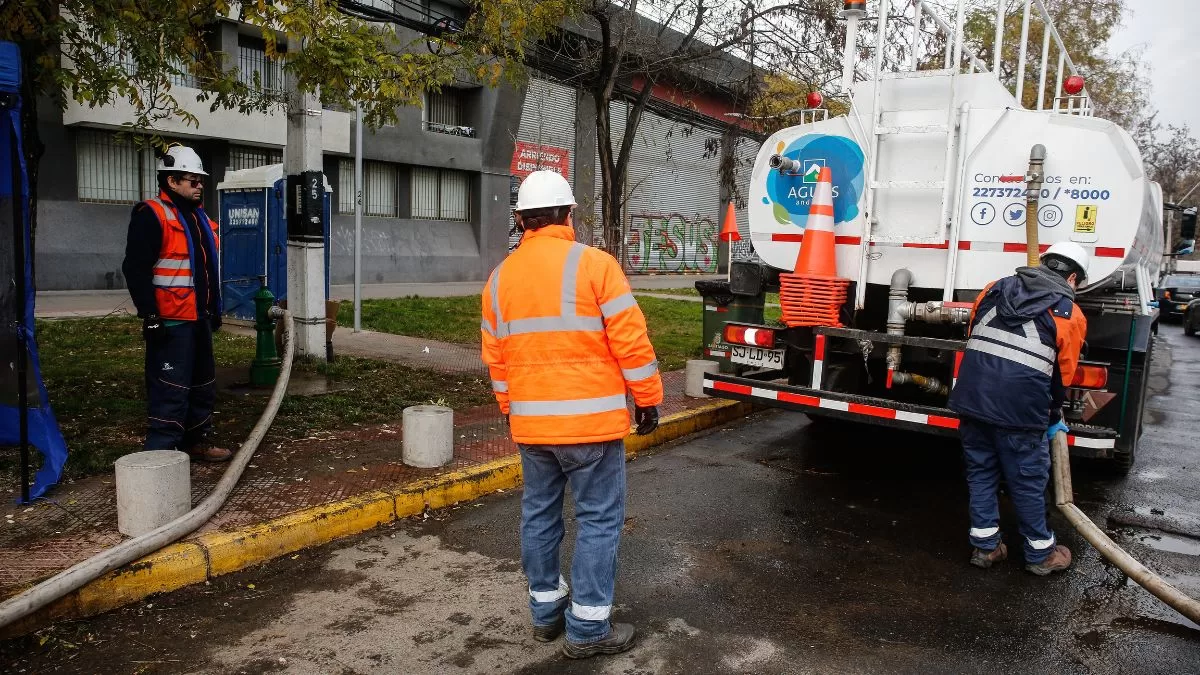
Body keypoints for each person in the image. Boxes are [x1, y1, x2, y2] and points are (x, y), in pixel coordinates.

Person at [481, 170, 663, 659]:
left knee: (538, 516)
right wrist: (647, 398)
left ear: (521, 220)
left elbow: (496, 358)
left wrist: (509, 409)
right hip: (591, 429)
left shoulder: (500, 279)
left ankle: (546, 614)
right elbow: (630, 340)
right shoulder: (595, 265)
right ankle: (587, 628)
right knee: (599, 521)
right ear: (568, 215)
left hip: (533, 428)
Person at [948, 241, 1089, 575]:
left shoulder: (993, 289)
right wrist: (1054, 415)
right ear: (1071, 278)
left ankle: (986, 549)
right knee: (1026, 482)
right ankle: (1041, 555)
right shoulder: (1069, 314)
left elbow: (973, 337)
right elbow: (1062, 375)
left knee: (981, 474)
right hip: (1021, 414)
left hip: (972, 403)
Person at [122, 144, 230, 462]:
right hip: (170, 320)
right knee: (170, 384)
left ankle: (197, 439)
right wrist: (150, 315)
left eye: (200, 180)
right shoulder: (152, 215)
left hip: (198, 317)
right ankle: (162, 451)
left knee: (202, 382)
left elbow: (206, 269)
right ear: (171, 181)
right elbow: (135, 268)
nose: (199, 185)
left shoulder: (198, 219)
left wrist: (214, 310)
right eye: (192, 180)